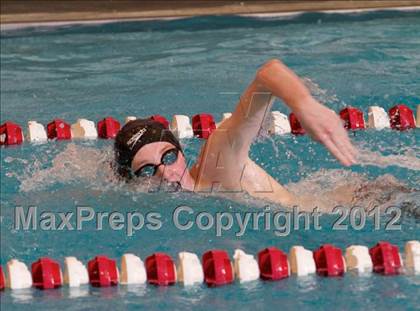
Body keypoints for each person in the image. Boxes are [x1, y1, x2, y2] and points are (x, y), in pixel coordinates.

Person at [114, 59, 358, 208]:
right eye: (147, 170)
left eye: (168, 157)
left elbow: (269, 74)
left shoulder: (217, 163)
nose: (166, 174)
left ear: (180, 150)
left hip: (367, 204)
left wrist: (304, 104)